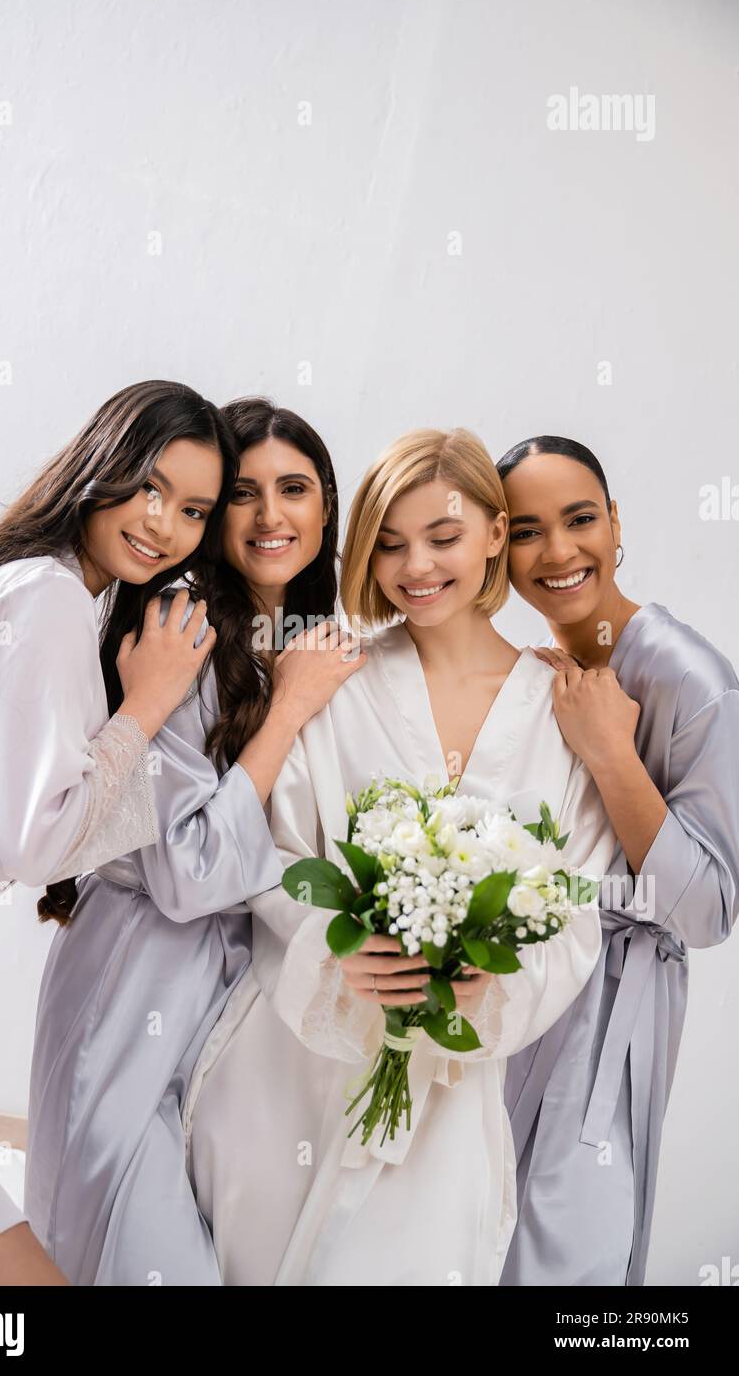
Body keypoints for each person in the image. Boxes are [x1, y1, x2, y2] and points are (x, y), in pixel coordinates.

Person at [185, 427, 616, 1285]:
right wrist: (336, 952)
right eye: (387, 544)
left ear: (496, 534)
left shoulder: (559, 709)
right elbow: (269, 860)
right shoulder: (333, 677)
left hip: (452, 1091)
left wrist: (493, 985)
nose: (415, 567)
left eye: (444, 538)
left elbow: (578, 907)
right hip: (291, 1067)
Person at [0, 379, 233, 1283]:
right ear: (101, 462)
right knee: (6, 1280)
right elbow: (41, 842)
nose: (164, 523)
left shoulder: (42, 593)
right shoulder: (46, 598)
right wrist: (149, 703)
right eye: (150, 486)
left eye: (194, 510)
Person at [25, 398, 366, 1284]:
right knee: (137, 1254)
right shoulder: (185, 627)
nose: (268, 517)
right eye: (240, 496)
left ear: (326, 507)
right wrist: (288, 708)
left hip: (233, 1013)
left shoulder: (299, 642)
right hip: (137, 979)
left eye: (293, 490)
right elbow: (190, 873)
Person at [496, 434, 739, 1286]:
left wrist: (610, 751)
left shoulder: (693, 678)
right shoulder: (538, 672)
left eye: (579, 519)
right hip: (519, 1002)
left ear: (616, 523)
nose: (558, 551)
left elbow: (709, 909)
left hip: (611, 1019)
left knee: (572, 1260)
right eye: (526, 530)